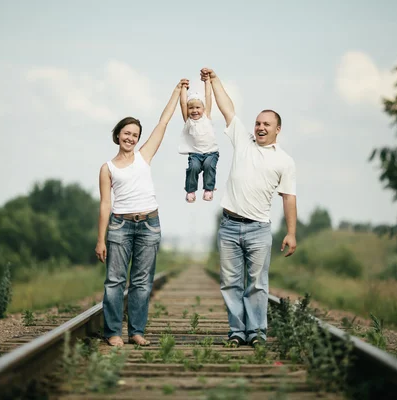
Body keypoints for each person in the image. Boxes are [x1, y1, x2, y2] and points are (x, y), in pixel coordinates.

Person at [200, 67, 297, 348]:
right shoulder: (244, 141)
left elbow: (289, 197)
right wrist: (215, 80)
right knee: (230, 283)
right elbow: (228, 109)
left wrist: (291, 232)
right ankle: (237, 331)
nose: (260, 127)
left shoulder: (285, 161)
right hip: (229, 225)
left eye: (267, 124)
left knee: (257, 284)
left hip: (258, 229)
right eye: (258, 123)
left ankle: (256, 332)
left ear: (277, 129)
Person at [95, 78, 189, 347]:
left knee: (141, 282)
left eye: (135, 134)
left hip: (148, 225)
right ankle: (113, 332)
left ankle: (136, 331)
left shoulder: (144, 155)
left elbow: (163, 123)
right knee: (114, 281)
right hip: (120, 227)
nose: (131, 137)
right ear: (118, 135)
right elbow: (105, 204)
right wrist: (101, 239)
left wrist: (175, 92)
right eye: (126, 133)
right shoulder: (107, 168)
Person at [177, 77, 219, 203]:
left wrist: (207, 81)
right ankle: (190, 191)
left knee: (208, 166)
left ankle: (208, 189)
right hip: (195, 153)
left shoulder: (206, 116)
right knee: (193, 167)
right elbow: (183, 103)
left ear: (203, 108)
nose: (194, 110)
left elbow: (208, 96)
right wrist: (183, 88)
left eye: (197, 108)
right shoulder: (188, 121)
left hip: (211, 152)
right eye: (191, 108)